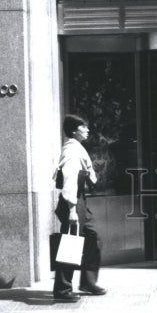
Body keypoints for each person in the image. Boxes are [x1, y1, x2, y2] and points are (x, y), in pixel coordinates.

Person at [53, 114, 106, 300]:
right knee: (70, 244)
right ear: (75, 131)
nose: (87, 130)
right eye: (84, 127)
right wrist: (72, 210)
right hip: (73, 201)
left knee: (93, 236)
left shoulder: (77, 148)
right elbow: (69, 180)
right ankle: (62, 290)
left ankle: (87, 282)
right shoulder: (72, 150)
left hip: (79, 200)